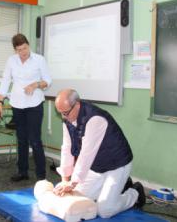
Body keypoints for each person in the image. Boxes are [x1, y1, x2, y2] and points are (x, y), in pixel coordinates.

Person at [53, 89, 146, 218]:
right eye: (60, 113)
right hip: (97, 166)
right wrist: (65, 180)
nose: (64, 117)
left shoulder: (95, 118)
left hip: (117, 165)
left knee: (105, 210)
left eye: (65, 113)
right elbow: (67, 148)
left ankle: (134, 193)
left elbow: (86, 155)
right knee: (76, 196)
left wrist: (72, 182)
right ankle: (118, 187)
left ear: (77, 104)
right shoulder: (68, 119)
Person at [0, 33, 52, 182]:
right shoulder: (11, 61)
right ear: (15, 50)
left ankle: (41, 175)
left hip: (35, 104)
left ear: (28, 45)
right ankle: (22, 171)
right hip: (17, 104)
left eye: (25, 48)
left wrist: (35, 84)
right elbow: (5, 82)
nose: (23, 52)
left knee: (35, 140)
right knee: (21, 139)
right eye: (19, 50)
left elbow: (48, 81)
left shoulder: (39, 59)